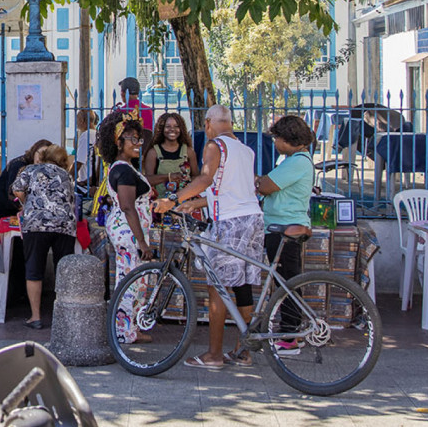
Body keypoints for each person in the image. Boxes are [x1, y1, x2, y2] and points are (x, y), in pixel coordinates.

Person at [154, 104, 263, 369]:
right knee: (242, 285)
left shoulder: (216, 146)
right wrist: (196, 203)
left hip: (229, 223)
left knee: (218, 286)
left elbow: (205, 179)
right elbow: (233, 191)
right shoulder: (245, 150)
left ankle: (214, 354)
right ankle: (243, 351)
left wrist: (173, 199)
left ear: (208, 123)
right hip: (253, 219)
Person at [256, 114, 316, 356]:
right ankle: (289, 332)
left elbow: (266, 186)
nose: (275, 143)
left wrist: (257, 181)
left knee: (287, 284)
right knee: (285, 281)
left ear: (288, 139)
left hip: (285, 228)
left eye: (277, 138)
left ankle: (290, 336)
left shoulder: (297, 162)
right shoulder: (293, 160)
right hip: (280, 225)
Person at [99, 112, 155, 343]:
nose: (138, 143)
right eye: (132, 138)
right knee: (130, 280)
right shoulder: (122, 170)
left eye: (138, 138)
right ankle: (123, 332)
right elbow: (127, 207)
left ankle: (132, 328)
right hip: (129, 232)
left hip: (131, 230)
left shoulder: (126, 167)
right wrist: (141, 242)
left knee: (137, 279)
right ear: (118, 142)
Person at [12, 144, 77, 329]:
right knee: (63, 270)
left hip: (36, 224)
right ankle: (65, 317)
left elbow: (17, 189)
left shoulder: (30, 170)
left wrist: (27, 202)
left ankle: (36, 317)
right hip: (64, 225)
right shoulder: (67, 175)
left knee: (34, 269)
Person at [0, 139, 53, 229]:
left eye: (45, 156)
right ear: (35, 150)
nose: (41, 158)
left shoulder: (39, 167)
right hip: (1, 206)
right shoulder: (19, 165)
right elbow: (13, 193)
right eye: (40, 153)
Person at [143, 112, 199, 197]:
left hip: (184, 200)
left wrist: (186, 183)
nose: (172, 129)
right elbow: (148, 180)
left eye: (176, 126)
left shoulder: (188, 152)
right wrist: (169, 177)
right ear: (161, 129)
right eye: (168, 126)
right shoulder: (153, 152)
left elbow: (196, 177)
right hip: (161, 200)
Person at [73, 110, 100, 187]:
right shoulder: (98, 134)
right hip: (96, 182)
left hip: (87, 184)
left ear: (82, 120)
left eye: (77, 120)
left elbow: (78, 163)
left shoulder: (86, 136)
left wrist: (67, 179)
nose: (76, 123)